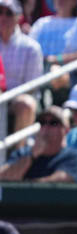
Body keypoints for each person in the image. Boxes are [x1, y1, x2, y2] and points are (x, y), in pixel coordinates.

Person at [0, 106, 77, 182]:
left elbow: (63, 180)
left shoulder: (73, 156)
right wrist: (32, 155)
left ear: (66, 130)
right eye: (42, 122)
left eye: (53, 123)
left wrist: (30, 185)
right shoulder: (23, 153)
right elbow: (3, 177)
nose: (46, 128)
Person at [29, 0, 77, 90]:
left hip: (72, 74)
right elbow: (28, 50)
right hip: (38, 71)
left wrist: (58, 59)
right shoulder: (41, 23)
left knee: (56, 72)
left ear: (74, 2)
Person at [0, 0, 43, 134]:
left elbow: (31, 88)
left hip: (17, 99)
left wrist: (5, 96)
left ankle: (21, 153)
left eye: (9, 13)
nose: (3, 17)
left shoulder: (31, 48)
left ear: (19, 17)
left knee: (26, 104)